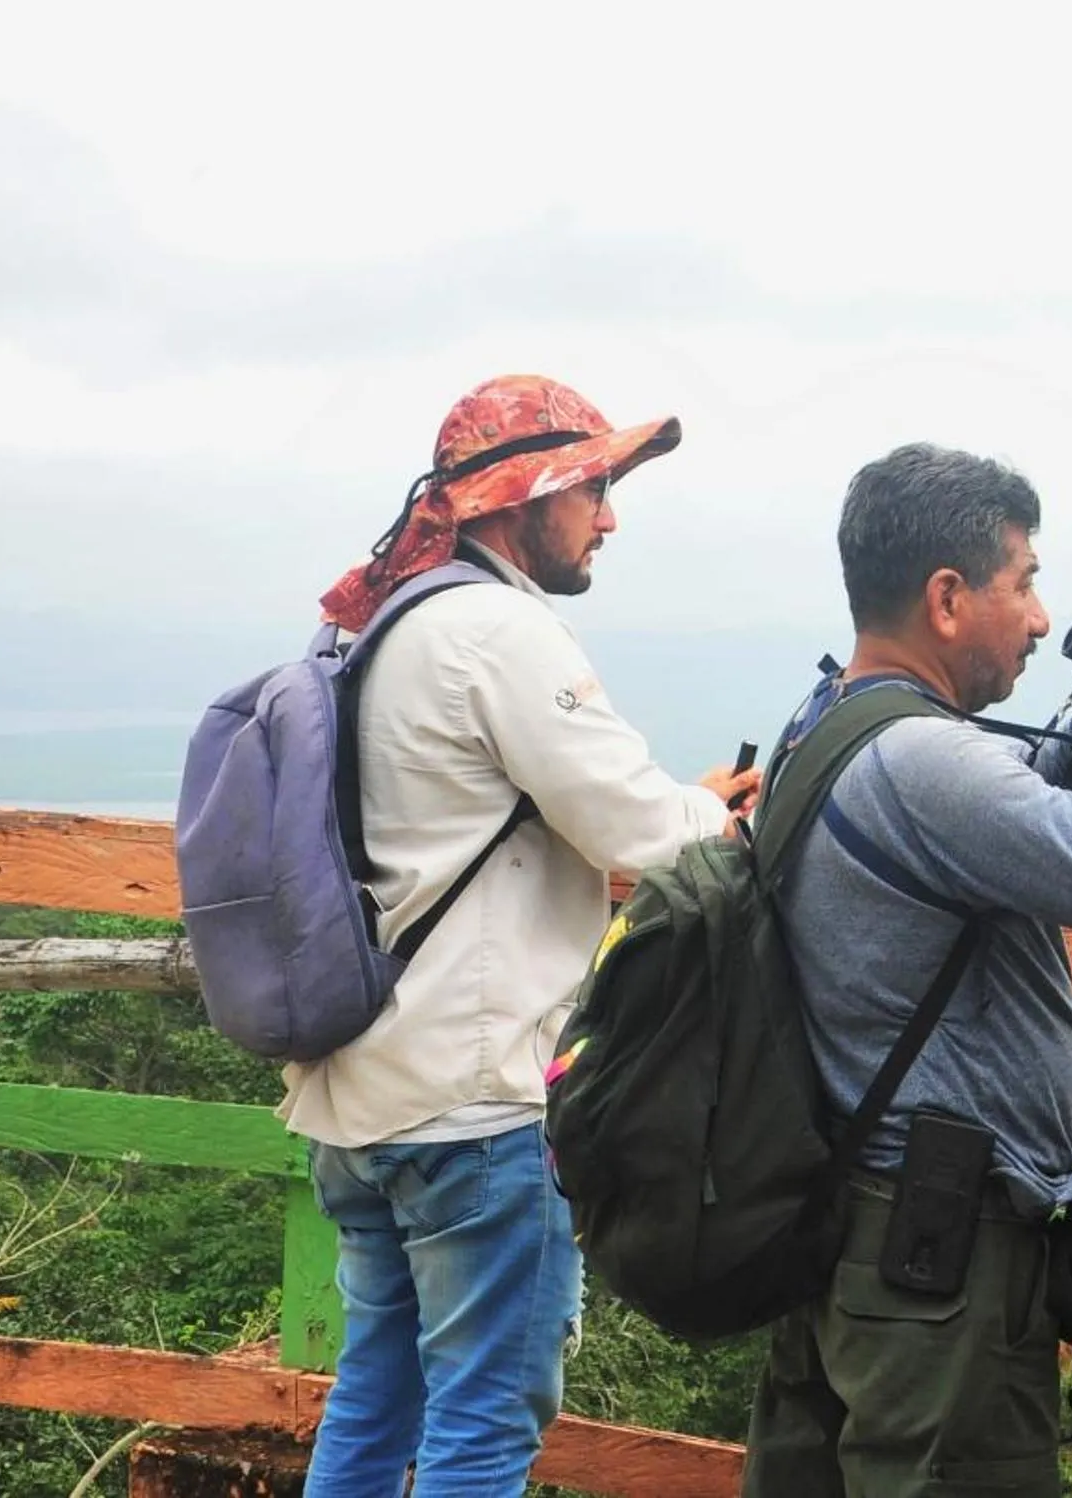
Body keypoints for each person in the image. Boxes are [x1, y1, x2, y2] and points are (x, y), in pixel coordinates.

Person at [290, 374, 758, 1498]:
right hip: (474, 1105)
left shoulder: (388, 624)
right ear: (518, 500)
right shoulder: (496, 630)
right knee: (483, 1431)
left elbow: (482, 828)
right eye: (591, 486)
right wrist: (738, 813)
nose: (609, 515)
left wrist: (664, 805)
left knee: (375, 1399)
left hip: (361, 1093)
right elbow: (646, 835)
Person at [742, 442, 1072, 1498]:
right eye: (1027, 582)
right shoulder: (927, 763)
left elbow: (995, 823)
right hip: (941, 1271)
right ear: (949, 597)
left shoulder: (829, 722)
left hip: (853, 1227)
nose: (1045, 618)